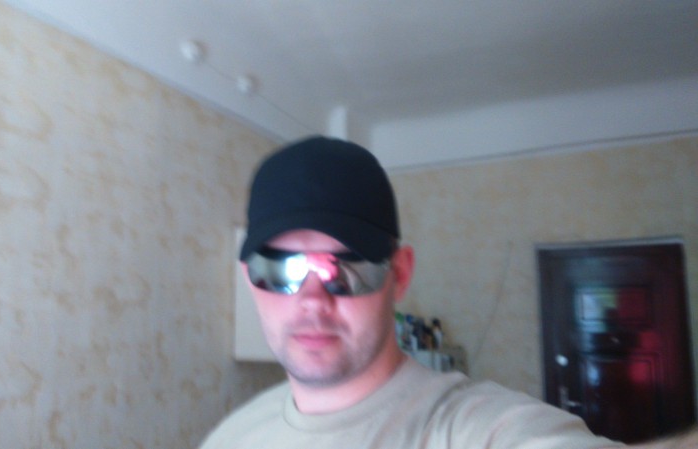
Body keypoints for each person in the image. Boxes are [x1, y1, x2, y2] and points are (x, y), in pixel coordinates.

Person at [199, 136, 697, 449]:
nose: (312, 299)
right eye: (280, 270)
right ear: (248, 277)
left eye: (344, 270)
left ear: (400, 273)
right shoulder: (230, 437)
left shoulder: (468, 429)